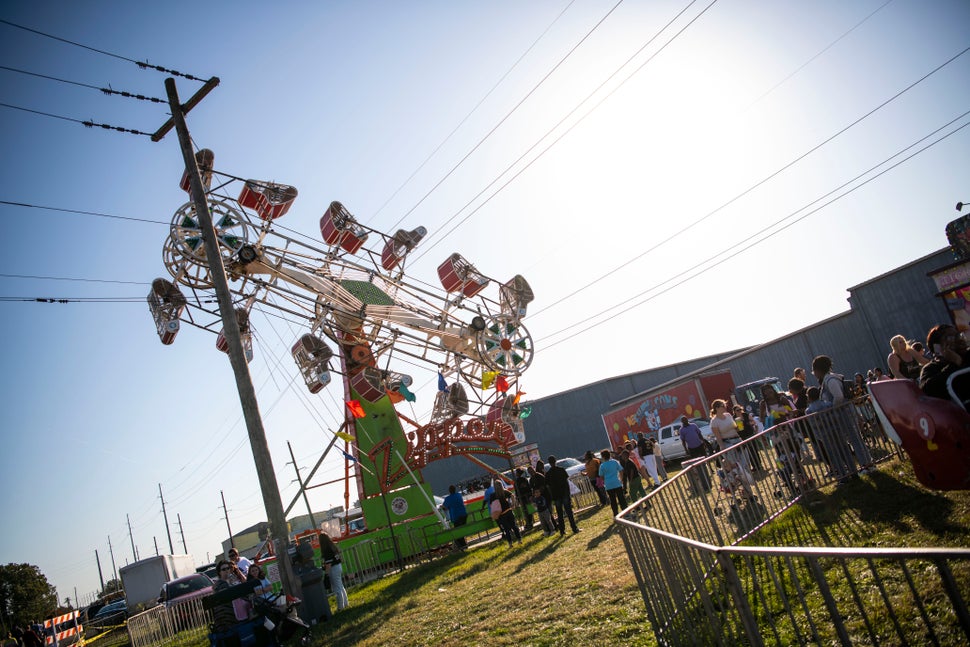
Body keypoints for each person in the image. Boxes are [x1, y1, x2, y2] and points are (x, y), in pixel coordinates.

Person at [812, 354, 873, 477]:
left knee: (855, 439)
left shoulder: (830, 380)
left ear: (818, 369)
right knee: (856, 438)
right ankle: (868, 463)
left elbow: (838, 396)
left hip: (843, 413)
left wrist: (832, 409)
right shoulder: (831, 378)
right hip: (845, 412)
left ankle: (866, 465)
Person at [920, 324, 970, 401]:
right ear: (938, 347)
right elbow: (928, 390)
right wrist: (954, 363)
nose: (959, 339)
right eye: (951, 337)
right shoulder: (932, 368)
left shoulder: (967, 355)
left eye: (958, 335)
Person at [710, 399, 749, 470]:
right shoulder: (714, 421)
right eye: (723, 406)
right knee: (735, 463)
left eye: (725, 405)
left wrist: (739, 425)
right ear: (717, 408)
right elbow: (718, 436)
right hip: (728, 443)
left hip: (737, 439)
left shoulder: (728, 415)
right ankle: (740, 477)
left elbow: (735, 428)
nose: (725, 407)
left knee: (745, 461)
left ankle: (747, 476)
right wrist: (722, 447)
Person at [545, 456, 580, 536]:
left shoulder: (548, 474)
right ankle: (574, 528)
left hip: (556, 495)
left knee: (560, 514)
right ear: (555, 461)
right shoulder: (561, 470)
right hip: (564, 493)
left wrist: (552, 496)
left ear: (549, 463)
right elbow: (566, 482)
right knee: (569, 512)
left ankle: (562, 531)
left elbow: (548, 487)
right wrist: (568, 493)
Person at [320, 532, 349, 610]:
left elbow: (328, 564)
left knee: (337, 588)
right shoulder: (333, 546)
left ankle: (340, 607)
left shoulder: (326, 550)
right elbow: (340, 558)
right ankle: (345, 603)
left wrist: (326, 574)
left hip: (333, 569)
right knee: (340, 586)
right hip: (338, 566)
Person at [489, 480, 521, 547]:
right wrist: (513, 504)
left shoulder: (493, 495)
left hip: (501, 514)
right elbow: (512, 495)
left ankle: (510, 543)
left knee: (506, 530)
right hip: (509, 511)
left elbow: (491, 505)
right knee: (514, 526)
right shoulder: (505, 492)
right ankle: (519, 540)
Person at [211, 560, 240, 633]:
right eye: (224, 569)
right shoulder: (219, 585)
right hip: (226, 616)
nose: (227, 570)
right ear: (219, 572)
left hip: (236, 611)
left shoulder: (233, 579)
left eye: (228, 568)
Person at [733, 405, 764, 472]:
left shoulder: (745, 415)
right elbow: (734, 429)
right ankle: (754, 466)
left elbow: (753, 422)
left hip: (750, 434)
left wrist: (748, 423)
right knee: (749, 452)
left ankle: (759, 465)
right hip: (743, 437)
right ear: (734, 412)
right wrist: (738, 427)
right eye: (737, 410)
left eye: (740, 409)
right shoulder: (734, 418)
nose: (739, 411)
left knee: (754, 450)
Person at [597, 449, 627, 515]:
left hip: (608, 485)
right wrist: (621, 479)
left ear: (603, 457)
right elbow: (621, 471)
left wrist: (605, 481)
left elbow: (601, 476)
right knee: (621, 498)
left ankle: (616, 514)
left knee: (613, 500)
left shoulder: (602, 466)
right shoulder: (615, 462)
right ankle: (626, 512)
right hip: (617, 482)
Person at [227, 548, 251, 620]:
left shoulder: (244, 560)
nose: (232, 557)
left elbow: (251, 567)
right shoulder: (231, 566)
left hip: (248, 584)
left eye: (233, 555)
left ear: (237, 555)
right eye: (230, 556)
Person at [441, 484, 468, 550]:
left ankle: (463, 546)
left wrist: (442, 507)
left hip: (456, 517)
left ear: (449, 491)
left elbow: (444, 507)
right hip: (464, 515)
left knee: (458, 533)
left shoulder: (448, 498)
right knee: (462, 530)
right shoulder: (459, 495)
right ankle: (462, 546)